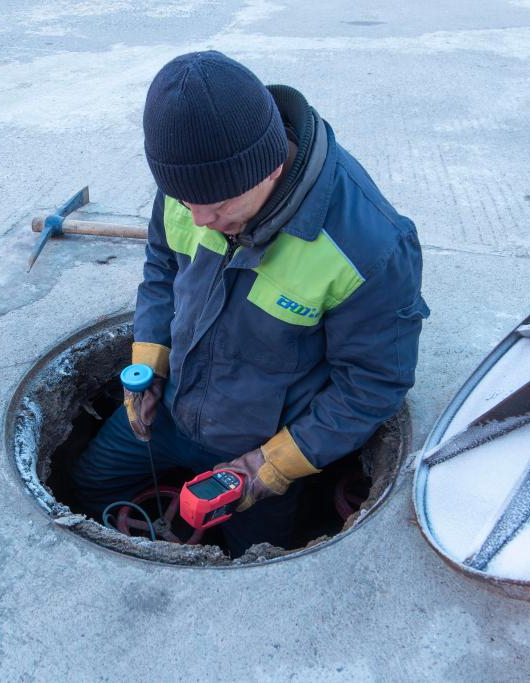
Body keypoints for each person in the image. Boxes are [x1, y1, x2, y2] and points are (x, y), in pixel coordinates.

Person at [72, 51, 429, 556]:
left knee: (251, 554)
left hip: (256, 446)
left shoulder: (369, 248)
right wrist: (148, 367)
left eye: (217, 208)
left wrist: (268, 468)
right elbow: (162, 272)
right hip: (171, 410)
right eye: (185, 202)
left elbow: (372, 385)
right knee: (89, 485)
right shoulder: (192, 185)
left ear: (270, 166)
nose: (198, 220)